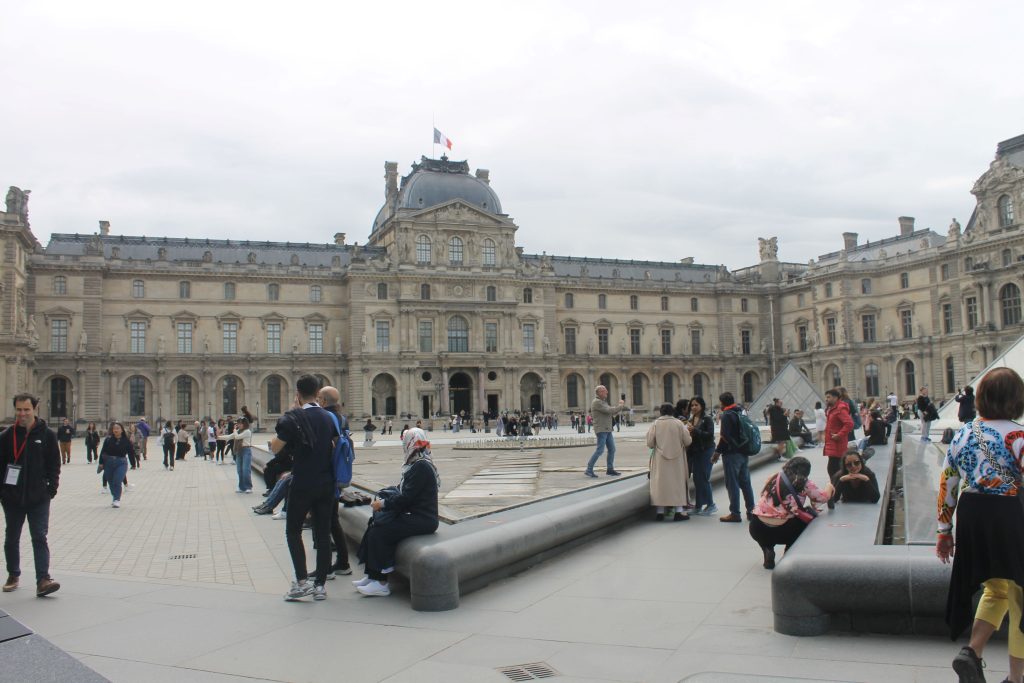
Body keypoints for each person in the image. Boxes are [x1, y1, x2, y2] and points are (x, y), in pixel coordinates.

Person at [937, 367, 1024, 683]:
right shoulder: (1018, 436)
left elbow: (947, 484)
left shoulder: (963, 434)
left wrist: (943, 532)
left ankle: (972, 652)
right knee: (1020, 598)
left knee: (995, 588)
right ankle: (1015, 678)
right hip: (1011, 514)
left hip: (972, 516)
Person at [271, 375, 339, 602]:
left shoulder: (293, 418)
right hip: (326, 483)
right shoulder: (329, 417)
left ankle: (301, 582)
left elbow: (274, 447)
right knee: (322, 533)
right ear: (317, 393)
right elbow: (333, 445)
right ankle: (320, 585)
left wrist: (291, 413)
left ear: (297, 394)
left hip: (302, 483)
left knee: (293, 531)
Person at [354, 427, 440, 597]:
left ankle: (381, 582)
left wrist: (383, 504)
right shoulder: (417, 463)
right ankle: (372, 575)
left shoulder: (421, 466)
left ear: (412, 443)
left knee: (381, 530)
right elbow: (405, 492)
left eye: (405, 441)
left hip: (424, 519)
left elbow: (406, 498)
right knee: (375, 525)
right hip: (415, 515)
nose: (403, 445)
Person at [0, 393, 61, 596]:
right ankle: (13, 574)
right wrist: (3, 492)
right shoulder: (7, 436)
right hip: (12, 497)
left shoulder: (47, 435)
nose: (22, 413)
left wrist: (50, 489)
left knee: (39, 537)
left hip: (38, 497)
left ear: (35, 409)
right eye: (18, 409)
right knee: (11, 538)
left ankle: (43, 579)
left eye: (26, 409)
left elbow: (54, 464)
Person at [748, 456, 832, 569]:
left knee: (765, 532)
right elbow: (822, 498)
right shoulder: (805, 483)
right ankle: (788, 554)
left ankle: (767, 549)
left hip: (757, 526)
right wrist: (829, 487)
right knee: (805, 522)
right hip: (786, 530)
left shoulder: (774, 477)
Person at [317, 385, 354, 578]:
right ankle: (342, 562)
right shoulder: (341, 418)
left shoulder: (325, 418)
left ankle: (327, 569)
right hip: (337, 475)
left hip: (326, 475)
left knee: (326, 521)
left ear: (323, 401)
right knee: (332, 520)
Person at [713, 392, 756, 523]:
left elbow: (724, 437)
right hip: (744, 452)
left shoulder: (727, 415)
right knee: (746, 483)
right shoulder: (741, 411)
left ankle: (735, 513)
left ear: (722, 402)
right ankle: (751, 511)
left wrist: (717, 453)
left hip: (732, 454)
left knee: (732, 484)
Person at [647, 403, 693, 521]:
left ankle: (660, 512)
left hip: (660, 459)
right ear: (672, 412)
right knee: (677, 483)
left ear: (661, 412)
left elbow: (650, 443)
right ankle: (678, 512)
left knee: (661, 484)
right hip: (677, 459)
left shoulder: (655, 424)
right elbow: (687, 441)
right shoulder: (678, 423)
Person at [584, 385, 626, 478]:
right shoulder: (597, 402)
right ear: (599, 392)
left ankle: (610, 469)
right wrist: (621, 405)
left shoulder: (602, 402)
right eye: (604, 391)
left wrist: (618, 408)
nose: (607, 392)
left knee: (612, 449)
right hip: (602, 429)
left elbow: (612, 411)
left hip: (607, 429)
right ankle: (589, 469)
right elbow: (610, 410)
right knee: (600, 450)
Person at [686, 396, 717, 516]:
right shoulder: (692, 418)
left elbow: (710, 435)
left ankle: (711, 505)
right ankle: (698, 506)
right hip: (696, 451)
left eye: (696, 405)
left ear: (702, 406)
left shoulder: (707, 419)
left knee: (703, 478)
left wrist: (694, 430)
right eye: (692, 405)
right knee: (697, 479)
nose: (693, 407)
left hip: (706, 451)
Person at [99, 422, 134, 508]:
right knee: (111, 482)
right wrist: (101, 463)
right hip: (109, 463)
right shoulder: (108, 439)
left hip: (121, 463)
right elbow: (103, 452)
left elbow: (131, 452)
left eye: (118, 428)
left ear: (122, 430)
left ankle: (117, 499)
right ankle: (115, 497)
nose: (116, 430)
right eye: (114, 428)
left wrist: (133, 464)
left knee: (117, 480)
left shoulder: (126, 441)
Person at [823, 389, 854, 480]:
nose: (826, 399)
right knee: (834, 468)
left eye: (829, 397)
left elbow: (849, 423)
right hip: (832, 443)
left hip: (837, 444)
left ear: (836, 397)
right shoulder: (833, 408)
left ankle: (836, 488)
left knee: (833, 469)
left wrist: (839, 435)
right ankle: (837, 487)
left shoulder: (840, 408)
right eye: (826, 397)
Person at [223, 418, 253, 493]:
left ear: (244, 424)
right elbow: (229, 436)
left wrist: (234, 430)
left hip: (246, 450)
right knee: (239, 470)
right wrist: (217, 437)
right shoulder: (238, 431)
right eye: (238, 423)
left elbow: (237, 437)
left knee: (246, 469)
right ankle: (242, 487)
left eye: (240, 423)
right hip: (239, 451)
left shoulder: (247, 431)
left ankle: (248, 487)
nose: (238, 425)